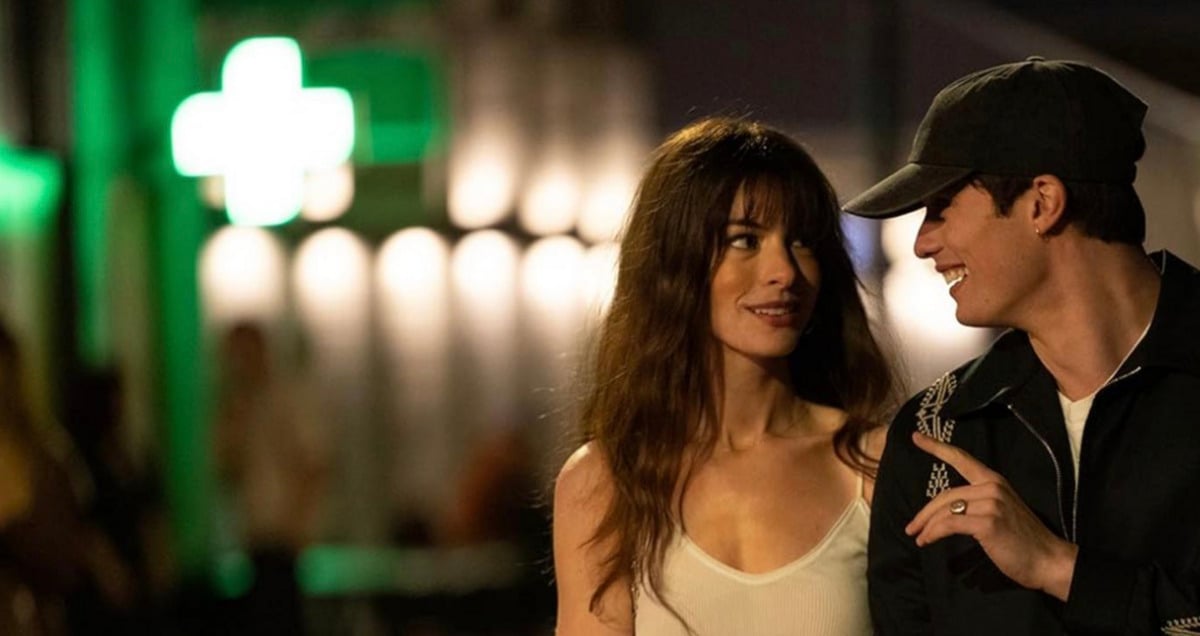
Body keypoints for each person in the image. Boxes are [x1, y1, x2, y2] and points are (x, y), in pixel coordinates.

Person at [844, 57, 1200, 634]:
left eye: (941, 207)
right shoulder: (936, 433)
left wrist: (1059, 568)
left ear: (1042, 203)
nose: (922, 243)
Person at [553, 117, 896, 635]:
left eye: (802, 241)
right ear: (676, 259)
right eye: (746, 240)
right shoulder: (605, 481)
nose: (784, 272)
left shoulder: (873, 463)